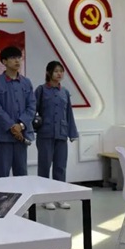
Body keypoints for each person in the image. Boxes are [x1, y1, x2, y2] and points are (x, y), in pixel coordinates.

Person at [35, 61, 79, 210]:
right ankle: (45, 198)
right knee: (44, 166)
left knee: (60, 167)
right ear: (48, 73)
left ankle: (60, 197)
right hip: (45, 134)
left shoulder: (64, 92)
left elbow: (69, 113)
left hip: (61, 134)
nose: (59, 74)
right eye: (56, 71)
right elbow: (33, 110)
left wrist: (72, 133)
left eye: (61, 71)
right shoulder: (41, 90)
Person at [0, 46, 35, 178]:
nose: (17, 61)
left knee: (22, 175)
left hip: (21, 136)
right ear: (4, 61)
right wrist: (11, 126)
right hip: (3, 137)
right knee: (1, 175)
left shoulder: (26, 83)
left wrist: (21, 125)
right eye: (13, 58)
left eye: (19, 58)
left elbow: (32, 106)